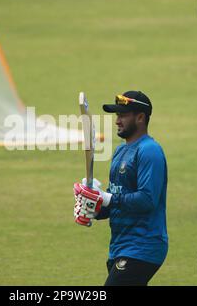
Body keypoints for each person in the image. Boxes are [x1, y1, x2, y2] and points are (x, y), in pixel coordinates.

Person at [73, 90, 168, 286]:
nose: (117, 120)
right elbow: (116, 201)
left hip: (143, 246)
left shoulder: (150, 151)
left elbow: (147, 200)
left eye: (123, 115)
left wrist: (106, 198)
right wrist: (94, 207)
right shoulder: (120, 152)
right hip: (120, 246)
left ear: (140, 118)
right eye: (117, 115)